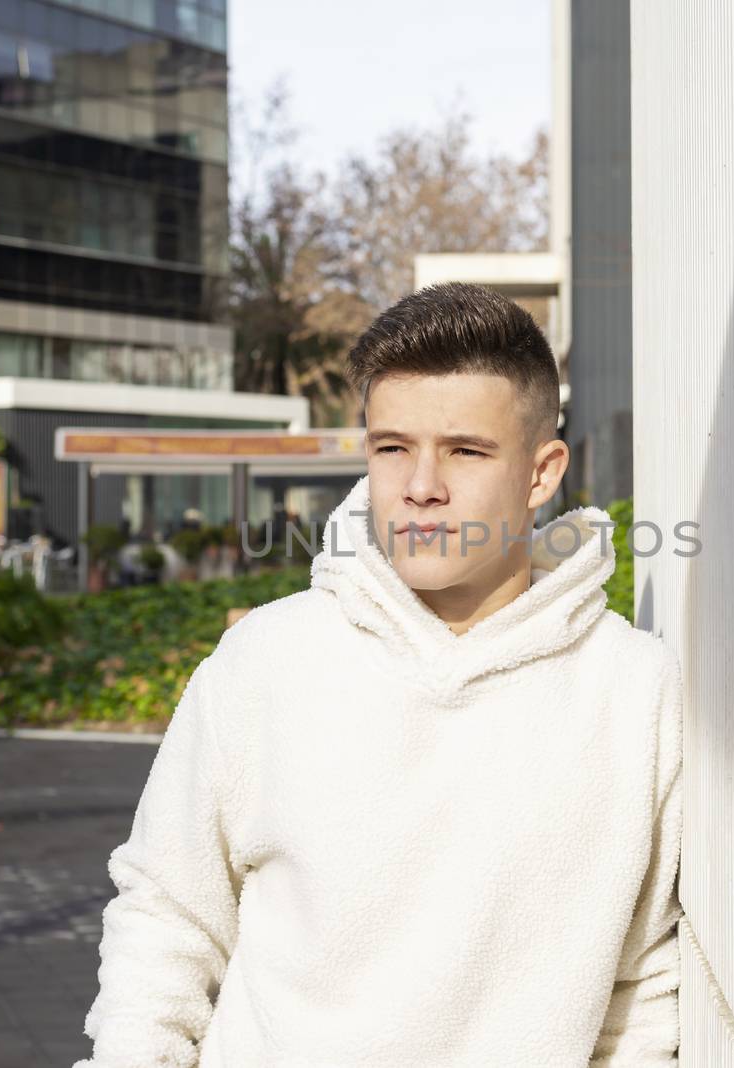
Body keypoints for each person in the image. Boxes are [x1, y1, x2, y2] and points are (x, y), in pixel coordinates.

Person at [75, 282, 686, 1067]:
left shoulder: (633, 692)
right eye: (392, 446)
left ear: (542, 474)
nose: (420, 485)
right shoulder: (266, 662)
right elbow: (166, 921)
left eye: (465, 450)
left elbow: (644, 989)